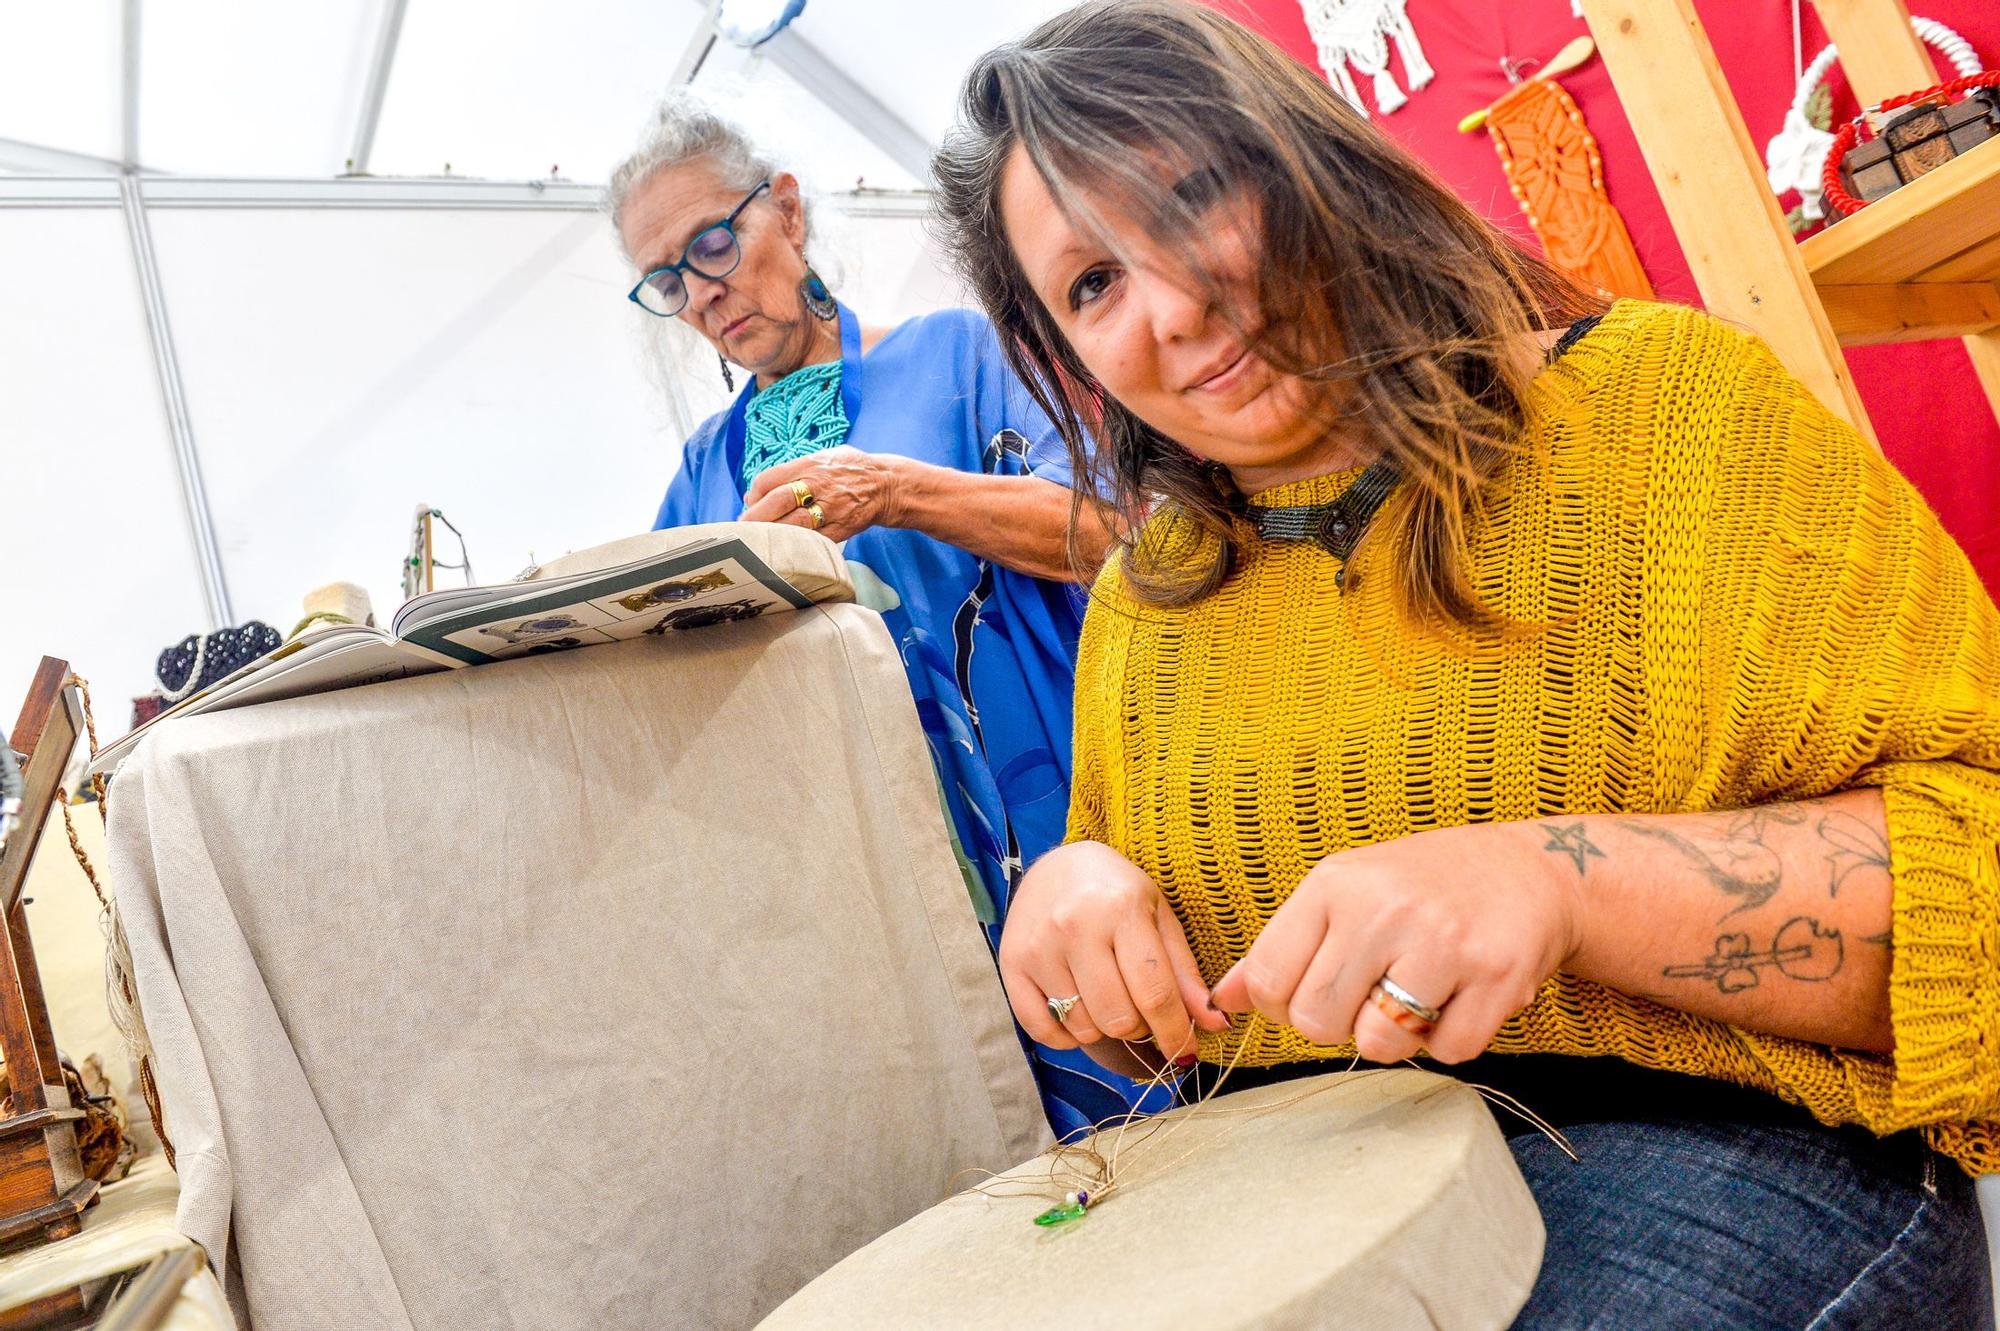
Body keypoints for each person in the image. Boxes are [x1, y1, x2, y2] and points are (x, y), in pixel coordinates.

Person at [931, 2, 1999, 1324]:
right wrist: (1074, 892)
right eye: (1092, 283)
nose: (1173, 304)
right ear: (1060, 352)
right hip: (1290, 1200)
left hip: (1713, 1160)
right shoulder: (1145, 606)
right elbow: (1153, 1003)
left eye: (1193, 198)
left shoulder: (1665, 410)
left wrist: (1562, 881)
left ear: (1303, 158)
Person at [608, 95, 1157, 1137]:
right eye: (667, 278)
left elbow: (1116, 536)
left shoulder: (956, 355)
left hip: (1067, 815)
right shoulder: (701, 471)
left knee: (1161, 1091)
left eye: (712, 242)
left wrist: (898, 492)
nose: (701, 290)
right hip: (882, 878)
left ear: (786, 211)